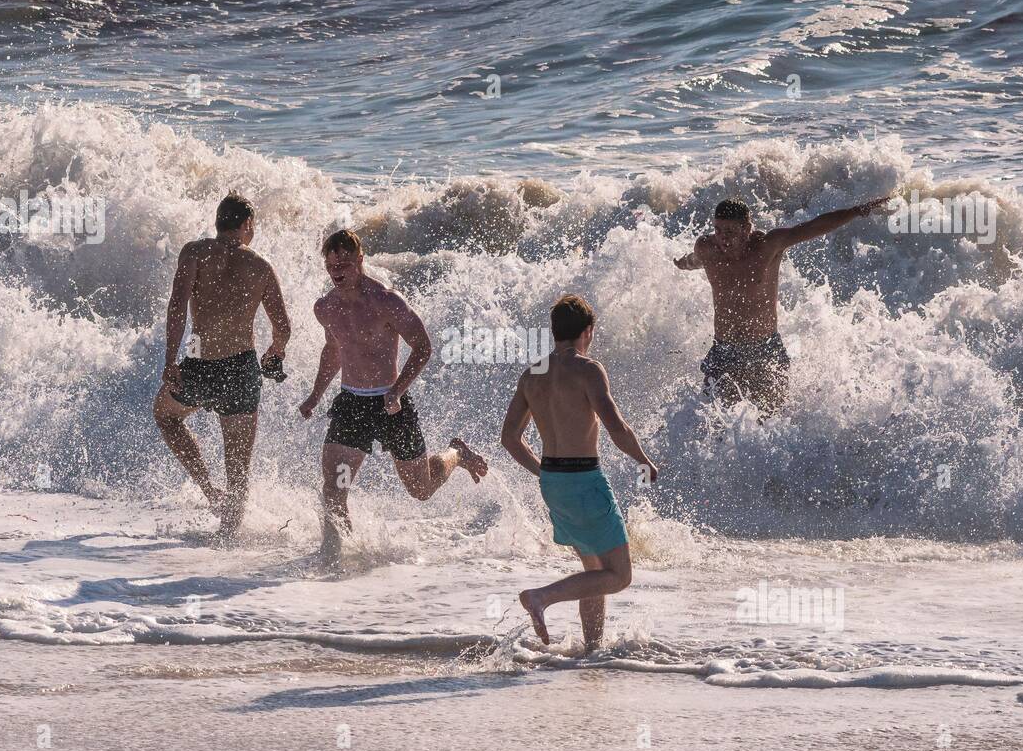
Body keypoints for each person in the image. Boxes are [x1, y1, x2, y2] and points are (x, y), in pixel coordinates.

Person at [298, 229, 487, 561]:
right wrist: (315, 395)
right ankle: (335, 557)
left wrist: (398, 390)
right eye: (331, 265)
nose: (338, 271)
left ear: (360, 259)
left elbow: (423, 347)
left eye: (344, 262)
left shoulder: (386, 301)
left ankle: (456, 453)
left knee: (421, 490)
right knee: (335, 488)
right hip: (351, 406)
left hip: (391, 405)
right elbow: (333, 351)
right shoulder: (325, 308)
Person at [500, 294, 657, 650]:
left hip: (554, 483)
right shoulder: (588, 369)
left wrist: (542, 472)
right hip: (584, 481)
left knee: (595, 572)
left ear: (554, 332)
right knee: (619, 576)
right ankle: (541, 597)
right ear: (588, 331)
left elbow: (509, 438)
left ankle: (592, 650)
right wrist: (643, 459)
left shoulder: (533, 373)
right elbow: (616, 426)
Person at [674, 195, 891, 414]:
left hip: (764, 349)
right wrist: (683, 263)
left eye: (730, 232)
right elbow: (696, 259)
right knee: (716, 421)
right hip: (724, 349)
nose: (722, 238)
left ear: (747, 229)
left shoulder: (768, 246)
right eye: (718, 230)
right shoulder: (707, 247)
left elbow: (814, 226)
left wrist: (856, 211)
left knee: (770, 421)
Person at [152, 192, 290, 535]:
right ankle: (228, 540)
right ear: (246, 225)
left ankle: (209, 490)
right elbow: (283, 328)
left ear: (218, 222)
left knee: (166, 416)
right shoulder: (260, 266)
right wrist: (274, 354)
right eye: (252, 226)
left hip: (199, 366)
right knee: (238, 468)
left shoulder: (195, 252)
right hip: (241, 371)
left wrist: (171, 360)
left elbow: (176, 308)